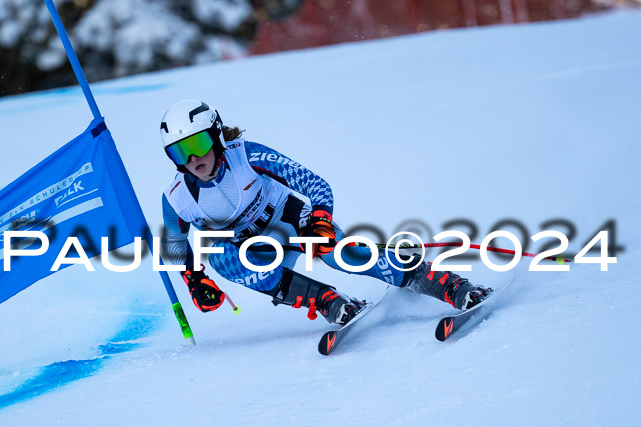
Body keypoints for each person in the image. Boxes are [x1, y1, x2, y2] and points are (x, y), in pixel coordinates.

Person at [160, 99, 492, 325]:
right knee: (219, 256)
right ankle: (327, 301)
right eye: (179, 152)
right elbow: (175, 245)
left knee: (338, 254)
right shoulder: (177, 196)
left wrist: (320, 220)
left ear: (216, 136)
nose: (192, 160)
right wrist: (194, 279)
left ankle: (443, 283)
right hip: (252, 250)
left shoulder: (246, 155)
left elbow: (316, 185)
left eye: (198, 145)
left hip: (287, 221)